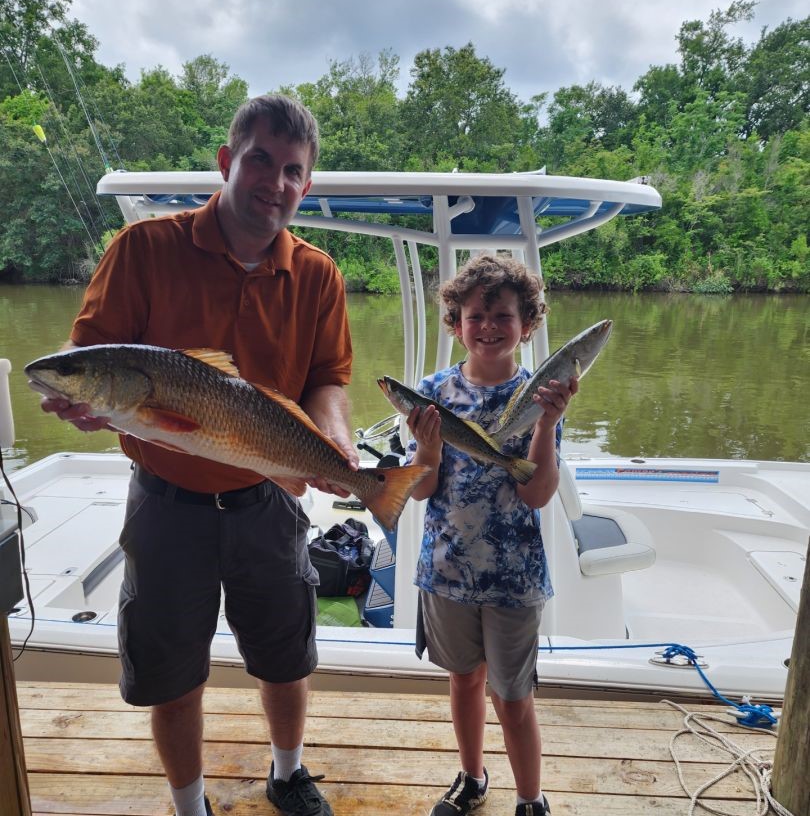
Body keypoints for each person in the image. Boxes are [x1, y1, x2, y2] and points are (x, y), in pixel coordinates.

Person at [37, 94, 355, 816]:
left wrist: (335, 444)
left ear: (306, 187)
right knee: (172, 672)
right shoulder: (145, 248)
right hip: (167, 500)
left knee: (284, 654)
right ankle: (190, 806)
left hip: (269, 498)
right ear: (227, 162)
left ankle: (288, 773)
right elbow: (85, 355)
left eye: (293, 171)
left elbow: (327, 377)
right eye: (261, 162)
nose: (275, 183)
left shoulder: (319, 275)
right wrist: (75, 394)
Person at [404, 254, 578, 816]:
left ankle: (531, 797)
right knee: (462, 682)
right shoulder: (431, 392)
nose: (488, 326)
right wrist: (427, 449)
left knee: (513, 696)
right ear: (456, 324)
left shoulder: (540, 396)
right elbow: (422, 489)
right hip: (447, 569)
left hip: (514, 576)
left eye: (502, 315)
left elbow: (536, 495)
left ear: (527, 324)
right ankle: (472, 778)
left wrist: (547, 425)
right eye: (476, 315)